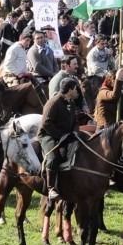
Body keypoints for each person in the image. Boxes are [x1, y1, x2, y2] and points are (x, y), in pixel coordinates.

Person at [38, 77, 82, 206]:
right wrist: (61, 136)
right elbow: (46, 124)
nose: (77, 91)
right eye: (75, 88)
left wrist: (75, 132)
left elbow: (75, 121)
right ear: (70, 89)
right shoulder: (53, 102)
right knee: (52, 157)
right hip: (48, 136)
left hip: (67, 135)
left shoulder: (71, 103)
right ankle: (51, 188)